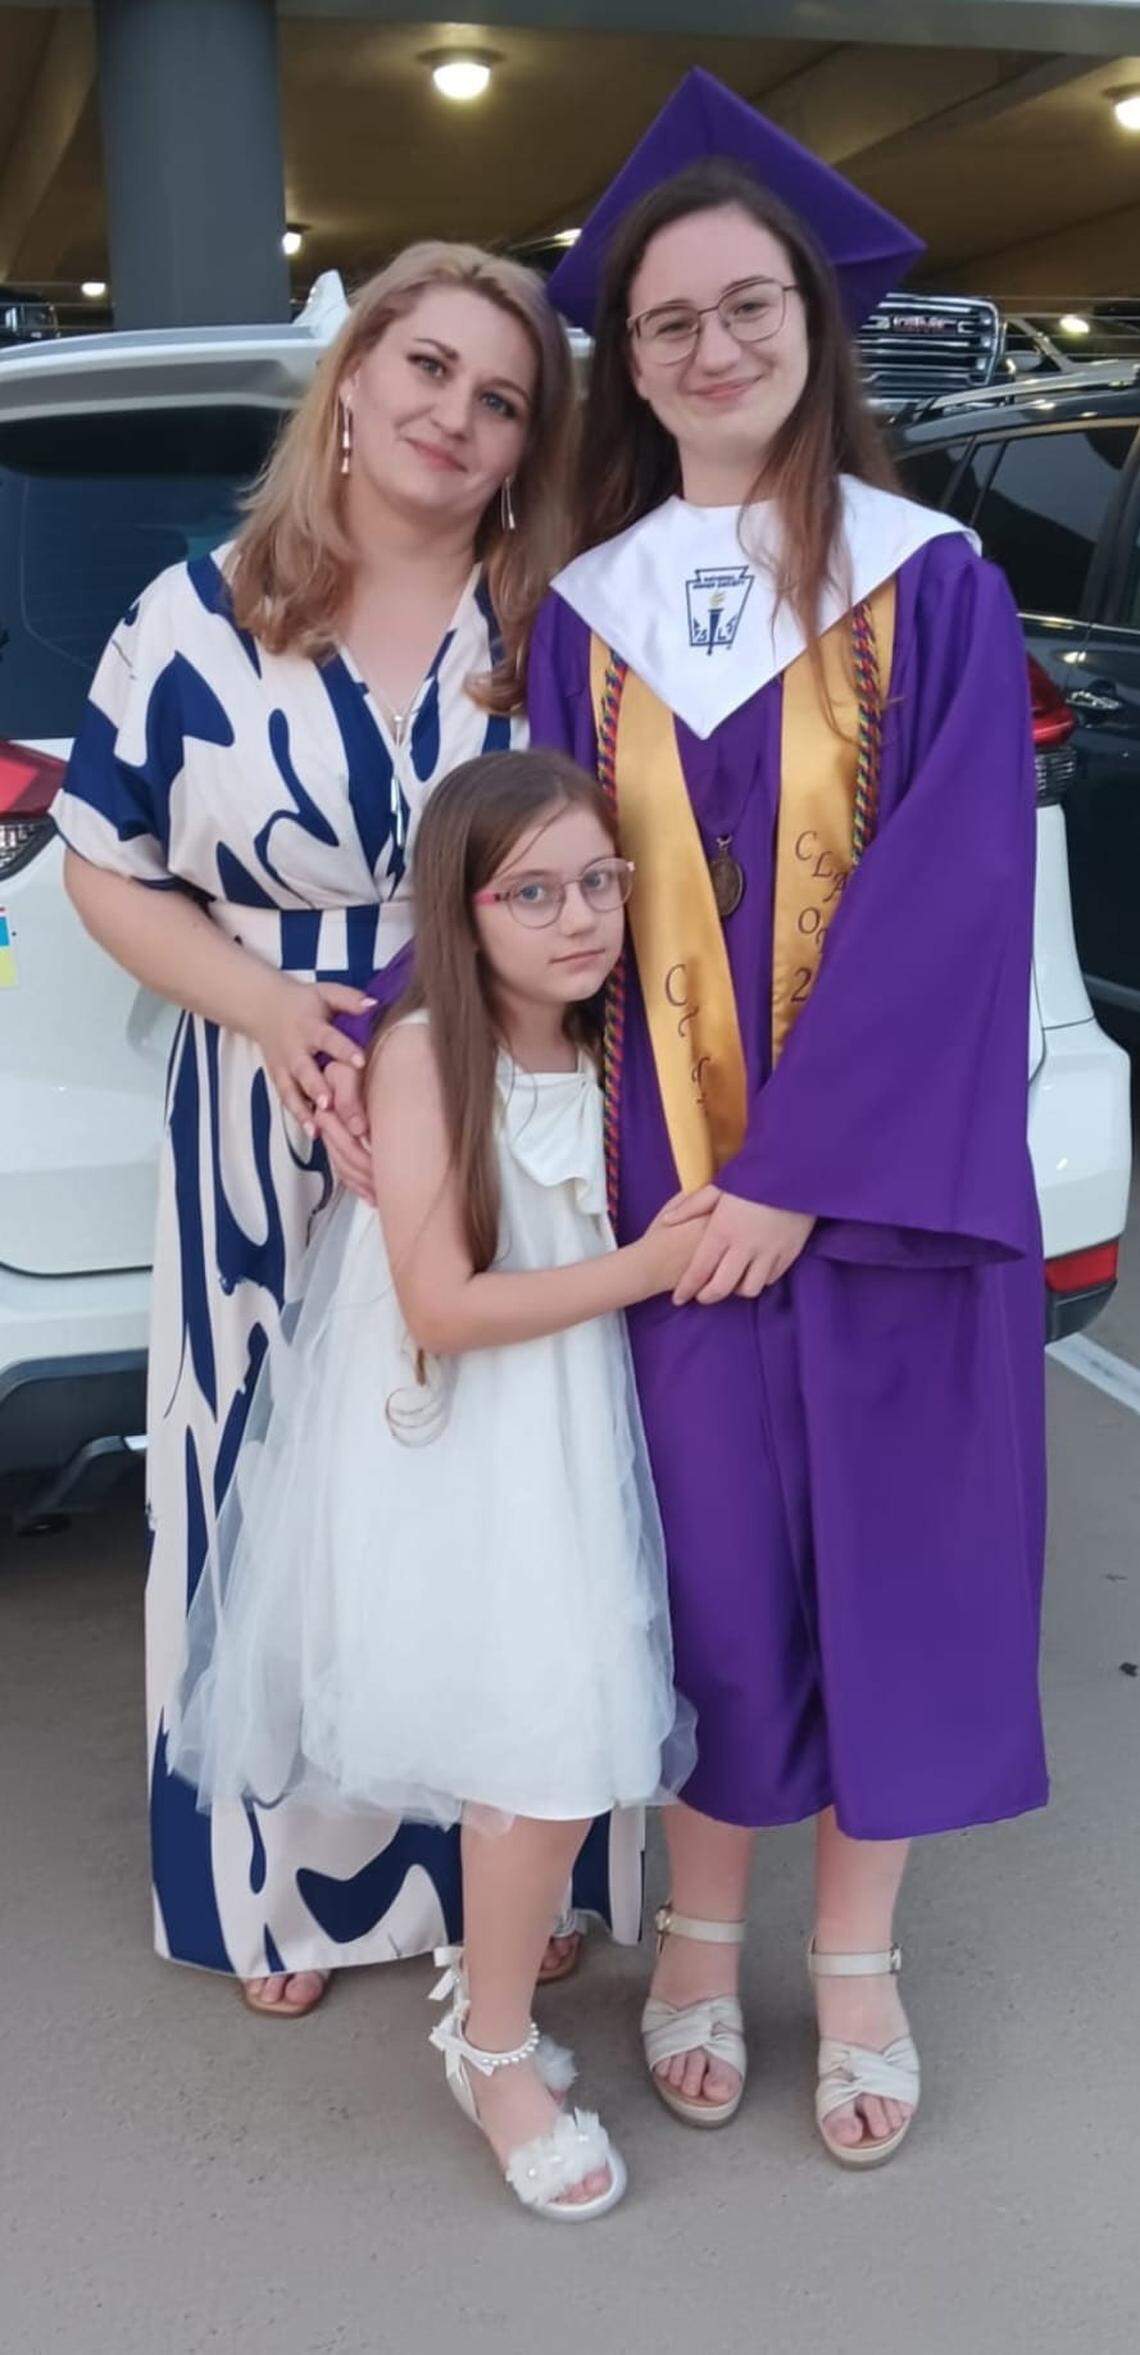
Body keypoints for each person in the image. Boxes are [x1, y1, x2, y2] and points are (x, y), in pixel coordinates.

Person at [521, 72, 1048, 2168]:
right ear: (631, 367)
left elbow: (954, 905)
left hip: (877, 1201)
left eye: (752, 308)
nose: (714, 348)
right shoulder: (589, 614)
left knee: (898, 1572)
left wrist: (802, 1177)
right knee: (710, 1575)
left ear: (817, 331)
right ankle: (692, 1933)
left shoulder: (937, 584)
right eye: (668, 324)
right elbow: (535, 888)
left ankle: (858, 1969)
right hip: (667, 1209)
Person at [54, 240, 589, 2018]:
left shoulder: (556, 628)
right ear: (351, 382)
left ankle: (501, 1870)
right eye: (426, 368)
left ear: (524, 443)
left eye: (498, 397)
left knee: (493, 1484)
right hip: (261, 1109)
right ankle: (277, 1888)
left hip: (507, 1103)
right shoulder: (189, 618)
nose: (455, 413)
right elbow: (103, 867)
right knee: (252, 1488)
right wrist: (275, 1011)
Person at [169, 749, 702, 2217]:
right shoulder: (424, 1056)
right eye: (534, 892)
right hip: (466, 1440)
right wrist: (647, 1268)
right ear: (462, 917)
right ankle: (496, 2047)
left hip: (565, 1433)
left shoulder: (608, 1046)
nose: (579, 916)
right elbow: (444, 1307)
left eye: (601, 880)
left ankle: (494, 2005)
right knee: (534, 1747)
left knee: (546, 1741)